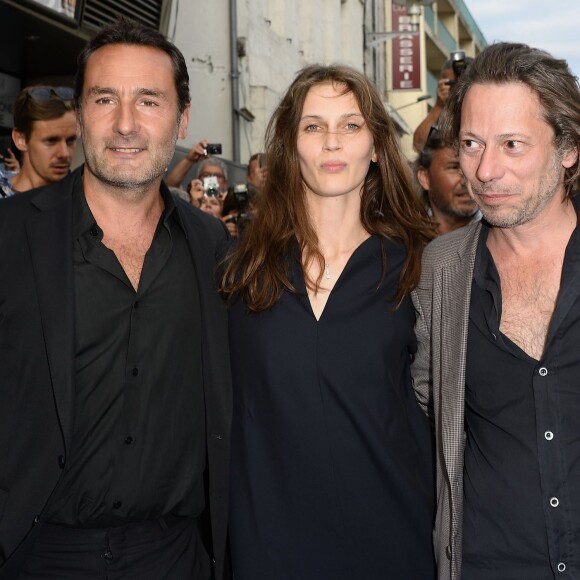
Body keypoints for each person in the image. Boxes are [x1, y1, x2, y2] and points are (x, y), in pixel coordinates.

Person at [0, 16, 231, 580]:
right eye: (105, 99)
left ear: (181, 119)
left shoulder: (214, 248)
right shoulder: (9, 236)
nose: (125, 124)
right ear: (81, 114)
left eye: (148, 101)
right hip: (37, 555)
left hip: (177, 556)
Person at [221, 64, 437, 579]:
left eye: (351, 125)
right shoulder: (239, 270)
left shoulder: (422, 267)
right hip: (266, 542)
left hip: (392, 538)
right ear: (291, 147)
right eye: (314, 126)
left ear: (378, 147)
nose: (332, 142)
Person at [412, 42, 580, 579]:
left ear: (568, 148)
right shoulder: (440, 269)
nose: (484, 171)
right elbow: (420, 409)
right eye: (472, 144)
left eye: (512, 144)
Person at [1, 85, 78, 197]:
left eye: (70, 140)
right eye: (51, 141)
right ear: (20, 139)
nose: (64, 154)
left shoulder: (83, 201)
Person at [415, 124, 479, 234]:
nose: (466, 180)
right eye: (454, 167)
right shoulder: (405, 239)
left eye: (473, 167)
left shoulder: (501, 235)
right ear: (425, 178)